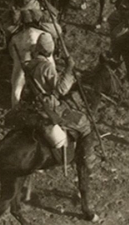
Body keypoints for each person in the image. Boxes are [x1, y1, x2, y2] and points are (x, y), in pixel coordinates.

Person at [19, 33, 91, 163]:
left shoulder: (30, 64)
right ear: (50, 51)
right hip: (48, 105)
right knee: (84, 123)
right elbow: (61, 89)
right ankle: (86, 159)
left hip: (31, 102)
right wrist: (68, 69)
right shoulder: (47, 66)